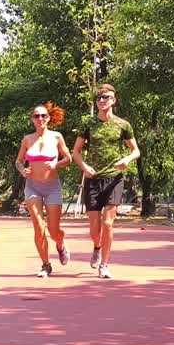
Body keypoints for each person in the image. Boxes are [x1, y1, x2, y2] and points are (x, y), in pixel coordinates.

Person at [72, 83, 139, 279]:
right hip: (93, 179)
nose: (102, 100)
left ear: (114, 100)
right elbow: (75, 152)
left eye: (106, 97)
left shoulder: (123, 125)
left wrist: (126, 159)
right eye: (99, 98)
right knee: (94, 228)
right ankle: (97, 246)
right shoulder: (88, 124)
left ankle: (105, 264)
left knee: (108, 224)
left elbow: (136, 150)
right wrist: (85, 167)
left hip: (114, 179)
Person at [15, 102, 73, 277]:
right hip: (32, 187)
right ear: (32, 120)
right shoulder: (27, 139)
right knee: (39, 227)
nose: (40, 118)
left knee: (54, 231)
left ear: (48, 118)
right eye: (36, 116)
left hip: (52, 187)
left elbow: (69, 157)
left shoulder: (56, 137)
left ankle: (60, 244)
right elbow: (18, 161)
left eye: (43, 116)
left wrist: (57, 163)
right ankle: (45, 265)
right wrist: (22, 170)